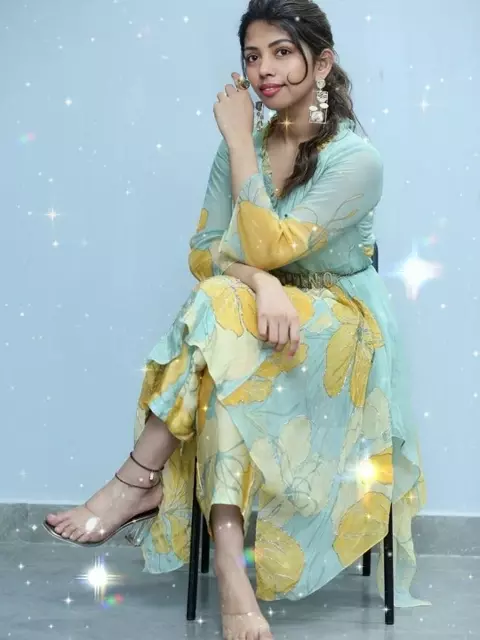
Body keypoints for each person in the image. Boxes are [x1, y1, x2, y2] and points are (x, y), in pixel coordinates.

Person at [43, 0, 427, 638]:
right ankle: (229, 566)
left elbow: (269, 245)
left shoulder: (356, 159)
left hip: (338, 328)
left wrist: (241, 148)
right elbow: (205, 252)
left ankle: (136, 481)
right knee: (226, 339)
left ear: (322, 63)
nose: (263, 70)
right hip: (252, 319)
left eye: (282, 52)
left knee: (223, 319)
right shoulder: (243, 144)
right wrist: (262, 285)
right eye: (252, 56)